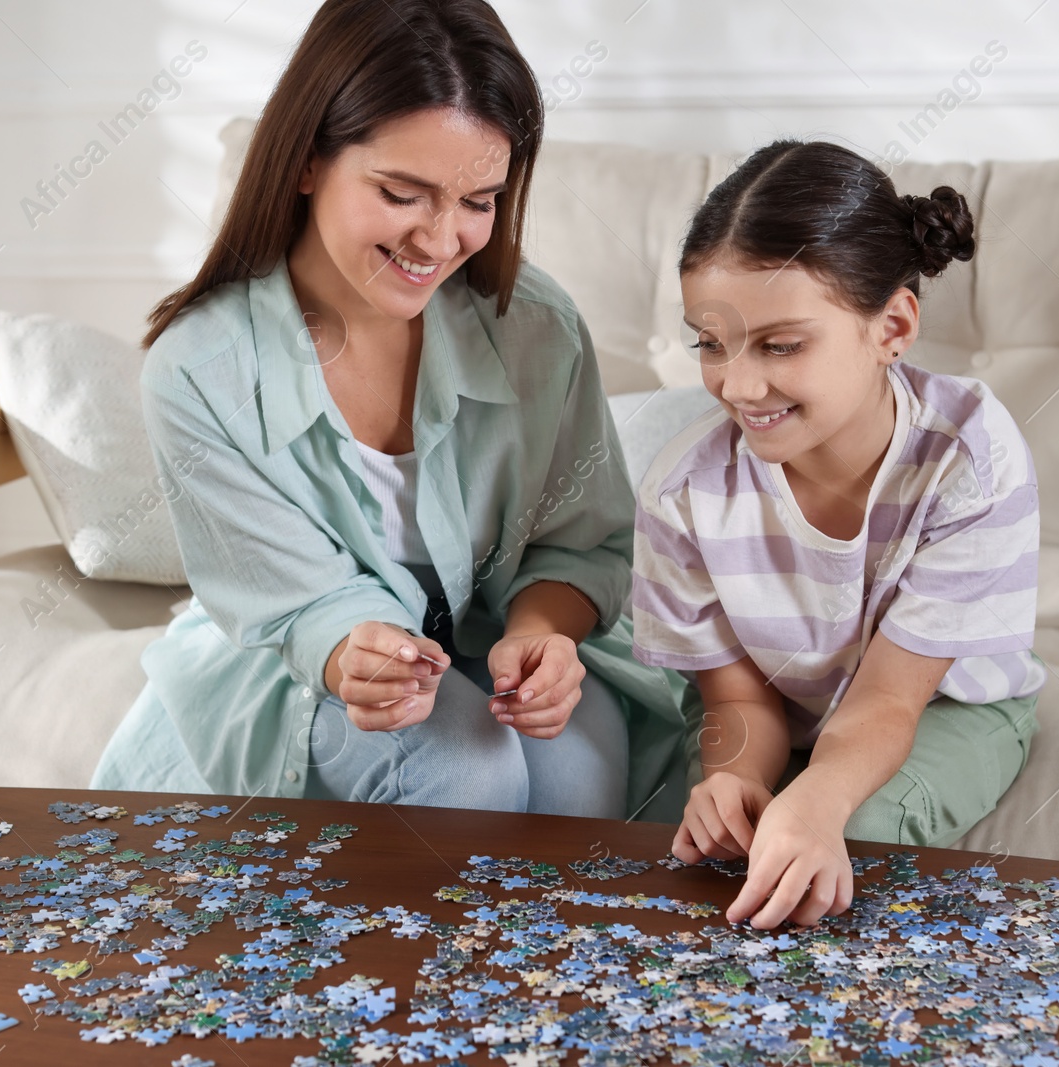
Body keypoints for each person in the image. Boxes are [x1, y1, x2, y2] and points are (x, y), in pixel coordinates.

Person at [90, 0, 693, 822]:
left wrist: (544, 632)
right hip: (297, 661)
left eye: (480, 199)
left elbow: (579, 539)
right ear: (306, 159)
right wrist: (351, 652)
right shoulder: (199, 371)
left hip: (491, 635)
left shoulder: (538, 327)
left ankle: (519, 957)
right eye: (403, 193)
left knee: (575, 773)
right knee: (466, 771)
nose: (441, 240)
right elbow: (299, 605)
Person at [631, 139, 1048, 929]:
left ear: (891, 325)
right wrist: (733, 778)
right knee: (722, 845)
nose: (740, 384)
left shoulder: (970, 459)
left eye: (781, 345)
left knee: (839, 846)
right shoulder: (684, 491)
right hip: (777, 703)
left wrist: (818, 802)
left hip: (942, 706)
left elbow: (890, 697)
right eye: (711, 344)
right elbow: (735, 693)